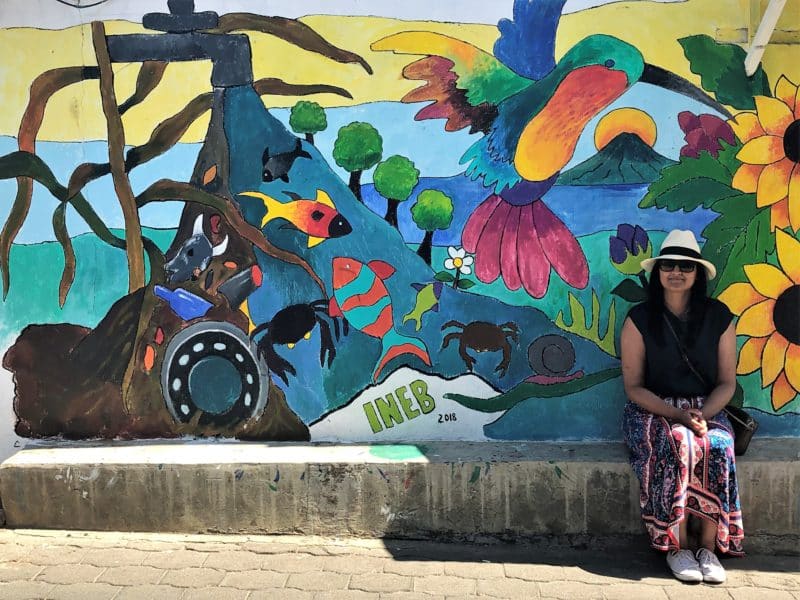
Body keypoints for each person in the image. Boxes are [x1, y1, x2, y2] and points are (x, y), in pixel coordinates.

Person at [620, 229, 742, 584]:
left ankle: (707, 547)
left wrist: (702, 416)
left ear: (697, 273)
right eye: (668, 265)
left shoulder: (719, 317)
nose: (676, 272)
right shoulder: (640, 319)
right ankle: (676, 546)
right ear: (658, 273)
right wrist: (677, 416)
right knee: (678, 444)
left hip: (706, 408)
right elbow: (634, 387)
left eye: (685, 266)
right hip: (652, 409)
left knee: (716, 446)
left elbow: (727, 383)